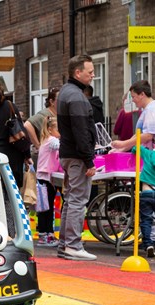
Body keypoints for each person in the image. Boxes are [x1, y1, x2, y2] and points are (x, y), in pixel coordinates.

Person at [56, 54, 98, 261]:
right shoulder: (76, 97)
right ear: (77, 72)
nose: (93, 75)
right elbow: (81, 130)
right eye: (89, 72)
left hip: (69, 153)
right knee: (78, 200)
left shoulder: (66, 92)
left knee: (71, 199)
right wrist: (89, 160)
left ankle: (65, 244)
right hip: (77, 155)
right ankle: (72, 245)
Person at [110, 80, 155, 152]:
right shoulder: (148, 109)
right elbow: (139, 135)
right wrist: (121, 149)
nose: (132, 100)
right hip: (153, 156)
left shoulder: (152, 110)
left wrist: (123, 144)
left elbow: (148, 135)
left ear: (142, 94)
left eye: (133, 97)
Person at [35, 116, 61, 247]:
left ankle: (46, 233)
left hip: (44, 177)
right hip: (45, 178)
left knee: (45, 207)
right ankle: (45, 235)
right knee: (46, 208)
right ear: (50, 129)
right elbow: (61, 146)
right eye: (58, 128)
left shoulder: (46, 140)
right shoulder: (52, 141)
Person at [24, 86, 60, 165]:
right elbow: (27, 125)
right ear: (52, 101)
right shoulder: (45, 114)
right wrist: (38, 145)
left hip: (53, 157)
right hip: (43, 160)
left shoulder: (59, 114)